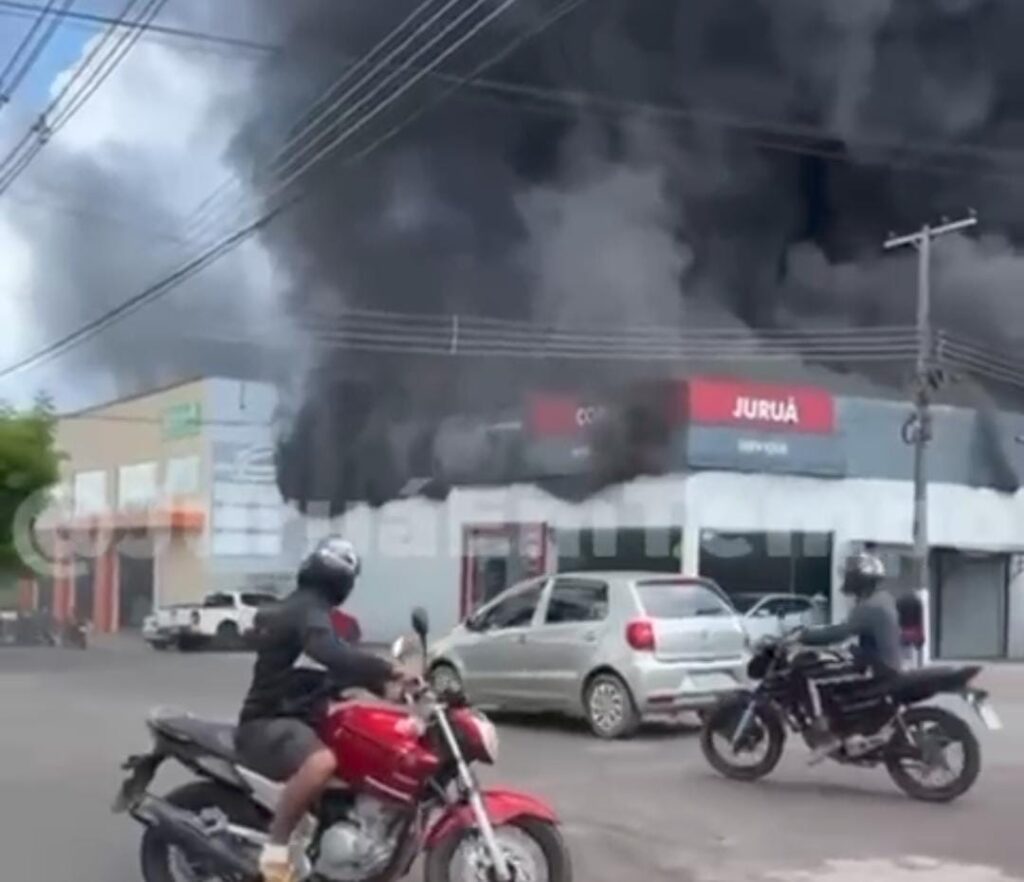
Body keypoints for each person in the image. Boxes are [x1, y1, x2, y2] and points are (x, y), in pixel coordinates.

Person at [235, 536, 412, 882]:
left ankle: (326, 844)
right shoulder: (307, 611)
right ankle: (275, 852)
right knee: (322, 763)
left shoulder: (315, 614)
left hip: (298, 721)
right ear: (342, 583)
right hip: (269, 723)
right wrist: (387, 669)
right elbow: (330, 652)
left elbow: (337, 664)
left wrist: (392, 690)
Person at [797, 549, 902, 761]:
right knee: (831, 669)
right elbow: (851, 631)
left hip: (875, 668)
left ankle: (826, 738)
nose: (847, 579)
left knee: (808, 677)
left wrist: (805, 636)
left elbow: (841, 632)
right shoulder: (882, 598)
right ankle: (842, 723)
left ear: (859, 579)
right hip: (881, 662)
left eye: (850, 575)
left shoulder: (869, 606)